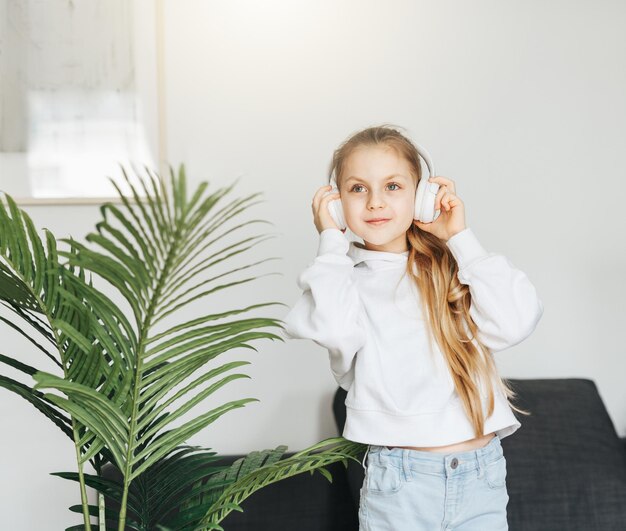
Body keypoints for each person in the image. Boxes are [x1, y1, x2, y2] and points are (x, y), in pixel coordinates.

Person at [280, 124, 544, 530]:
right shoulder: (341, 279)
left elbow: (517, 320)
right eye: (357, 189)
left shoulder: (456, 269)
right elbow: (333, 330)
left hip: (482, 476)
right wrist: (330, 243)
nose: (374, 203)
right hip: (400, 484)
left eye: (392, 186)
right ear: (335, 204)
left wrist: (460, 236)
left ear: (421, 197)